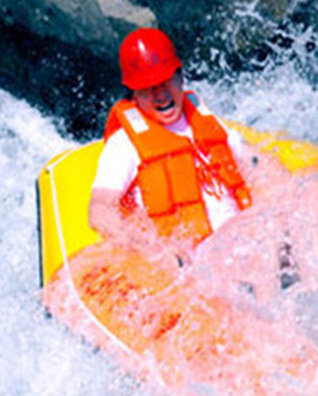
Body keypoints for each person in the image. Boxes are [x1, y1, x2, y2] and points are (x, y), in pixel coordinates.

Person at [88, 27, 253, 255]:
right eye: (148, 88)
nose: (161, 94)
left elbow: (257, 164)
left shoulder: (204, 118)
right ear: (133, 93)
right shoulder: (124, 145)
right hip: (197, 262)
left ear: (181, 76)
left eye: (166, 81)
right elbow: (100, 210)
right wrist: (154, 251)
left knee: (312, 197)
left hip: (247, 238)